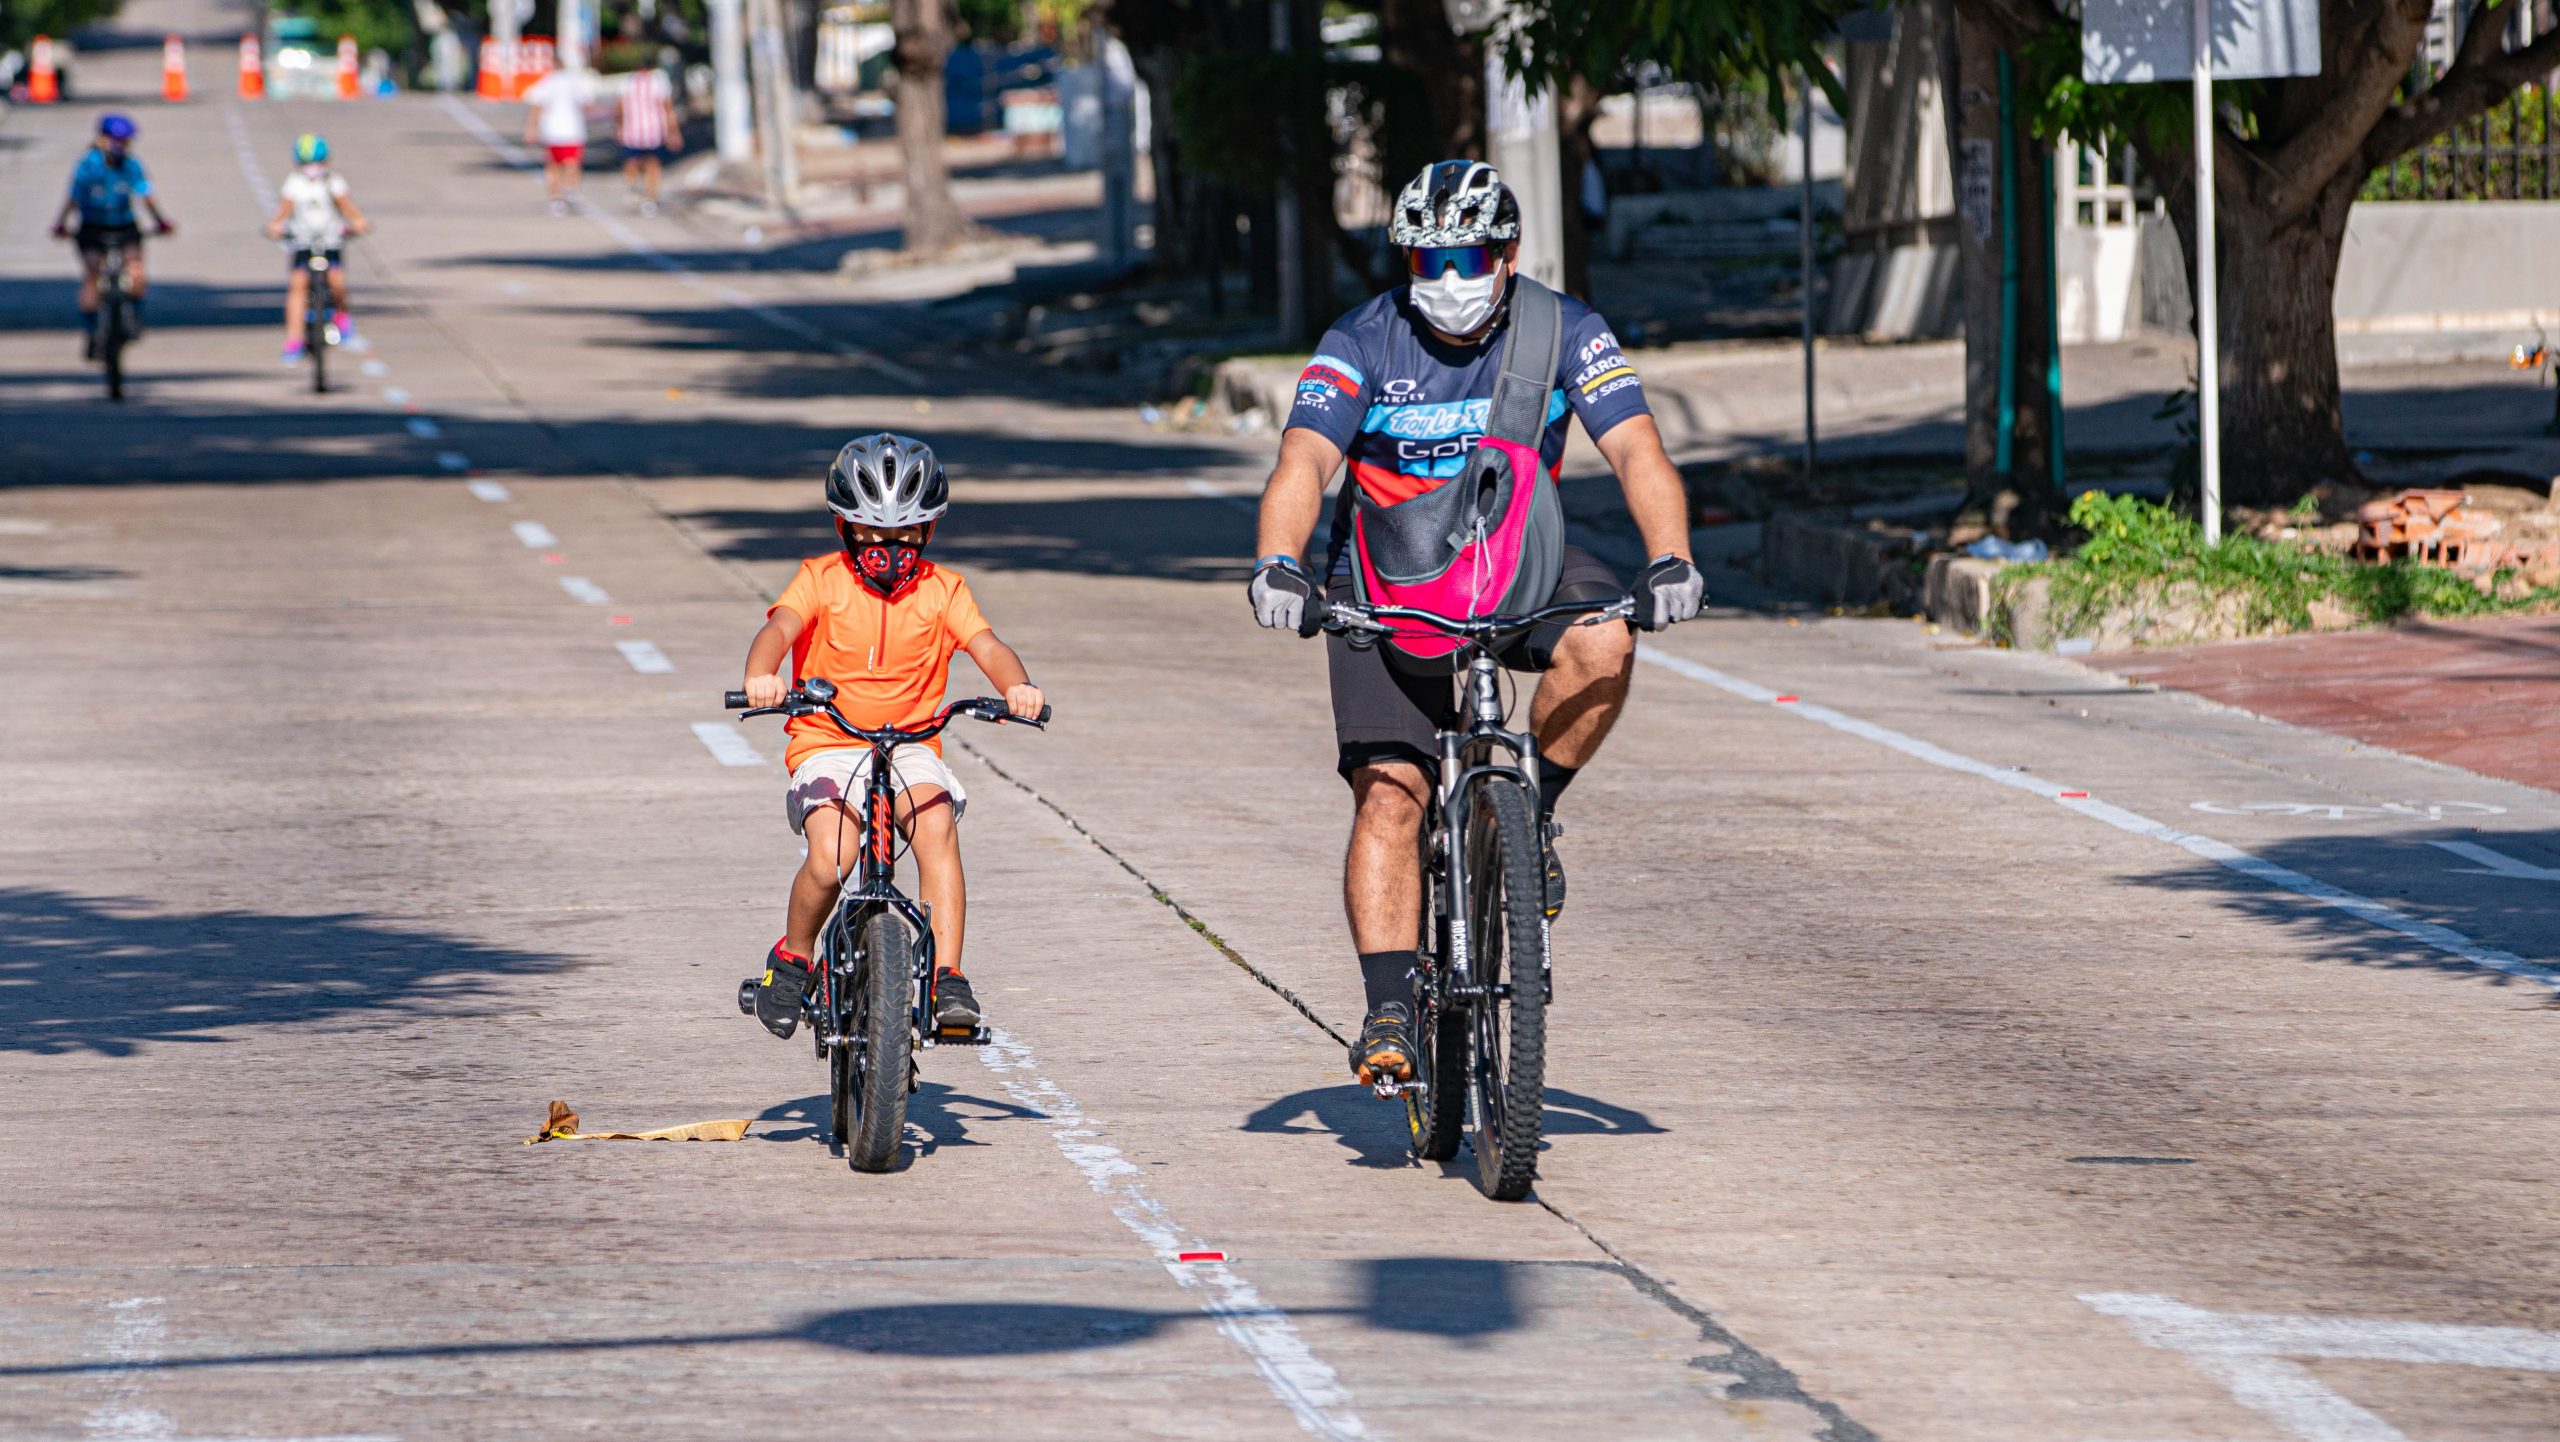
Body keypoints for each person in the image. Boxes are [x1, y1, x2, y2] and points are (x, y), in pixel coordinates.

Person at [1245, 160, 1706, 1089]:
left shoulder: (1567, 329)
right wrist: (1279, 563)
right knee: (1391, 793)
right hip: (1385, 572)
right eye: (1429, 259)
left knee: (1606, 639)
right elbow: (1302, 462)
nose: (1450, 280)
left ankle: (1528, 810)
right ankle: (1386, 1007)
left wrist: (1670, 557)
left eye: (1472, 257)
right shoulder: (1361, 339)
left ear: (1511, 254)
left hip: (1516, 554)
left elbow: (1637, 449)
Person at [737, 433, 1046, 1041]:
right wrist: (761, 675)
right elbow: (780, 628)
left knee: (936, 830)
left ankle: (949, 978)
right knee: (832, 860)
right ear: (843, 527)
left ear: (928, 531)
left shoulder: (944, 589)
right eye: (872, 536)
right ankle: (794, 958)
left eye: (905, 536)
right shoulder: (819, 579)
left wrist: (1019, 687)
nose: (888, 550)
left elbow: (987, 646)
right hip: (829, 737)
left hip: (910, 742)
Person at [50, 113, 175, 360]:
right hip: (93, 227)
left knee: (136, 270)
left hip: (124, 225)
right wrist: (61, 224)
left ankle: (134, 316)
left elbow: (145, 195)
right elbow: (72, 198)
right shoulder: (87, 165)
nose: (121, 146)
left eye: (126, 141)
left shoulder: (132, 165)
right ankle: (91, 330)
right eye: (116, 140)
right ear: (101, 138)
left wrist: (160, 221)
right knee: (93, 273)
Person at [263, 134, 372, 366]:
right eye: (306, 163)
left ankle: (342, 317)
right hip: (303, 242)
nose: (312, 168)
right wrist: (275, 226)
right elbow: (283, 211)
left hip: (330, 241)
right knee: (298, 286)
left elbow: (348, 208)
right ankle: (294, 339)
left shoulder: (334, 182)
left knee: (336, 281)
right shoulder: (294, 184)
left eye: (317, 162)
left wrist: (358, 222)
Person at [521, 65, 597, 215]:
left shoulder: (548, 81)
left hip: (552, 130)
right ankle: (571, 191)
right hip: (572, 129)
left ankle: (556, 198)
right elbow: (587, 105)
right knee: (572, 164)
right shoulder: (575, 82)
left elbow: (537, 105)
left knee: (553, 166)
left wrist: (532, 127)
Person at [615, 60, 683, 216]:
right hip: (654, 131)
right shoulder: (658, 83)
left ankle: (635, 188)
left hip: (632, 131)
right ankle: (650, 197)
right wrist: (674, 132)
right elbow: (668, 109)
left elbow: (619, 109)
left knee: (632, 162)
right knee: (653, 165)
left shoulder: (626, 83)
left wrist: (619, 127)